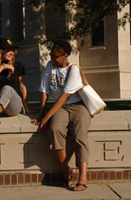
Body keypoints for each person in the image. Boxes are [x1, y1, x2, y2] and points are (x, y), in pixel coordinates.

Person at [31, 39, 91, 191]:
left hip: (78, 106)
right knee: (55, 129)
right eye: (51, 55)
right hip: (61, 108)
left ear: (65, 56)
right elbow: (44, 91)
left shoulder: (74, 69)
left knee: (80, 136)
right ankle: (66, 169)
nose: (51, 58)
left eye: (55, 56)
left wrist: (45, 118)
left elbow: (64, 96)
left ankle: (83, 177)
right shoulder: (50, 66)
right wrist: (41, 116)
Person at [0, 38, 36, 134]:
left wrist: (27, 109)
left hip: (13, 106)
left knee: (7, 88)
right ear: (0, 52)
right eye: (8, 50)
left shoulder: (18, 65)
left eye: (12, 50)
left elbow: (22, 86)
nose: (11, 53)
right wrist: (4, 66)